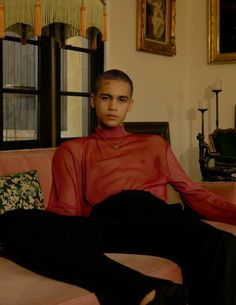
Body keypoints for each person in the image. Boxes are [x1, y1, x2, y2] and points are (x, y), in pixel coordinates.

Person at [1, 69, 236, 305]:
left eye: (121, 100)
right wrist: (50, 232)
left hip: (153, 222)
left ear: (130, 105)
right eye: (106, 98)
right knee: (12, 220)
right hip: (106, 226)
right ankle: (143, 289)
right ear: (92, 101)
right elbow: (66, 209)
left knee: (220, 243)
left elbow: (194, 193)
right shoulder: (73, 150)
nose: (113, 106)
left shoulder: (154, 144)